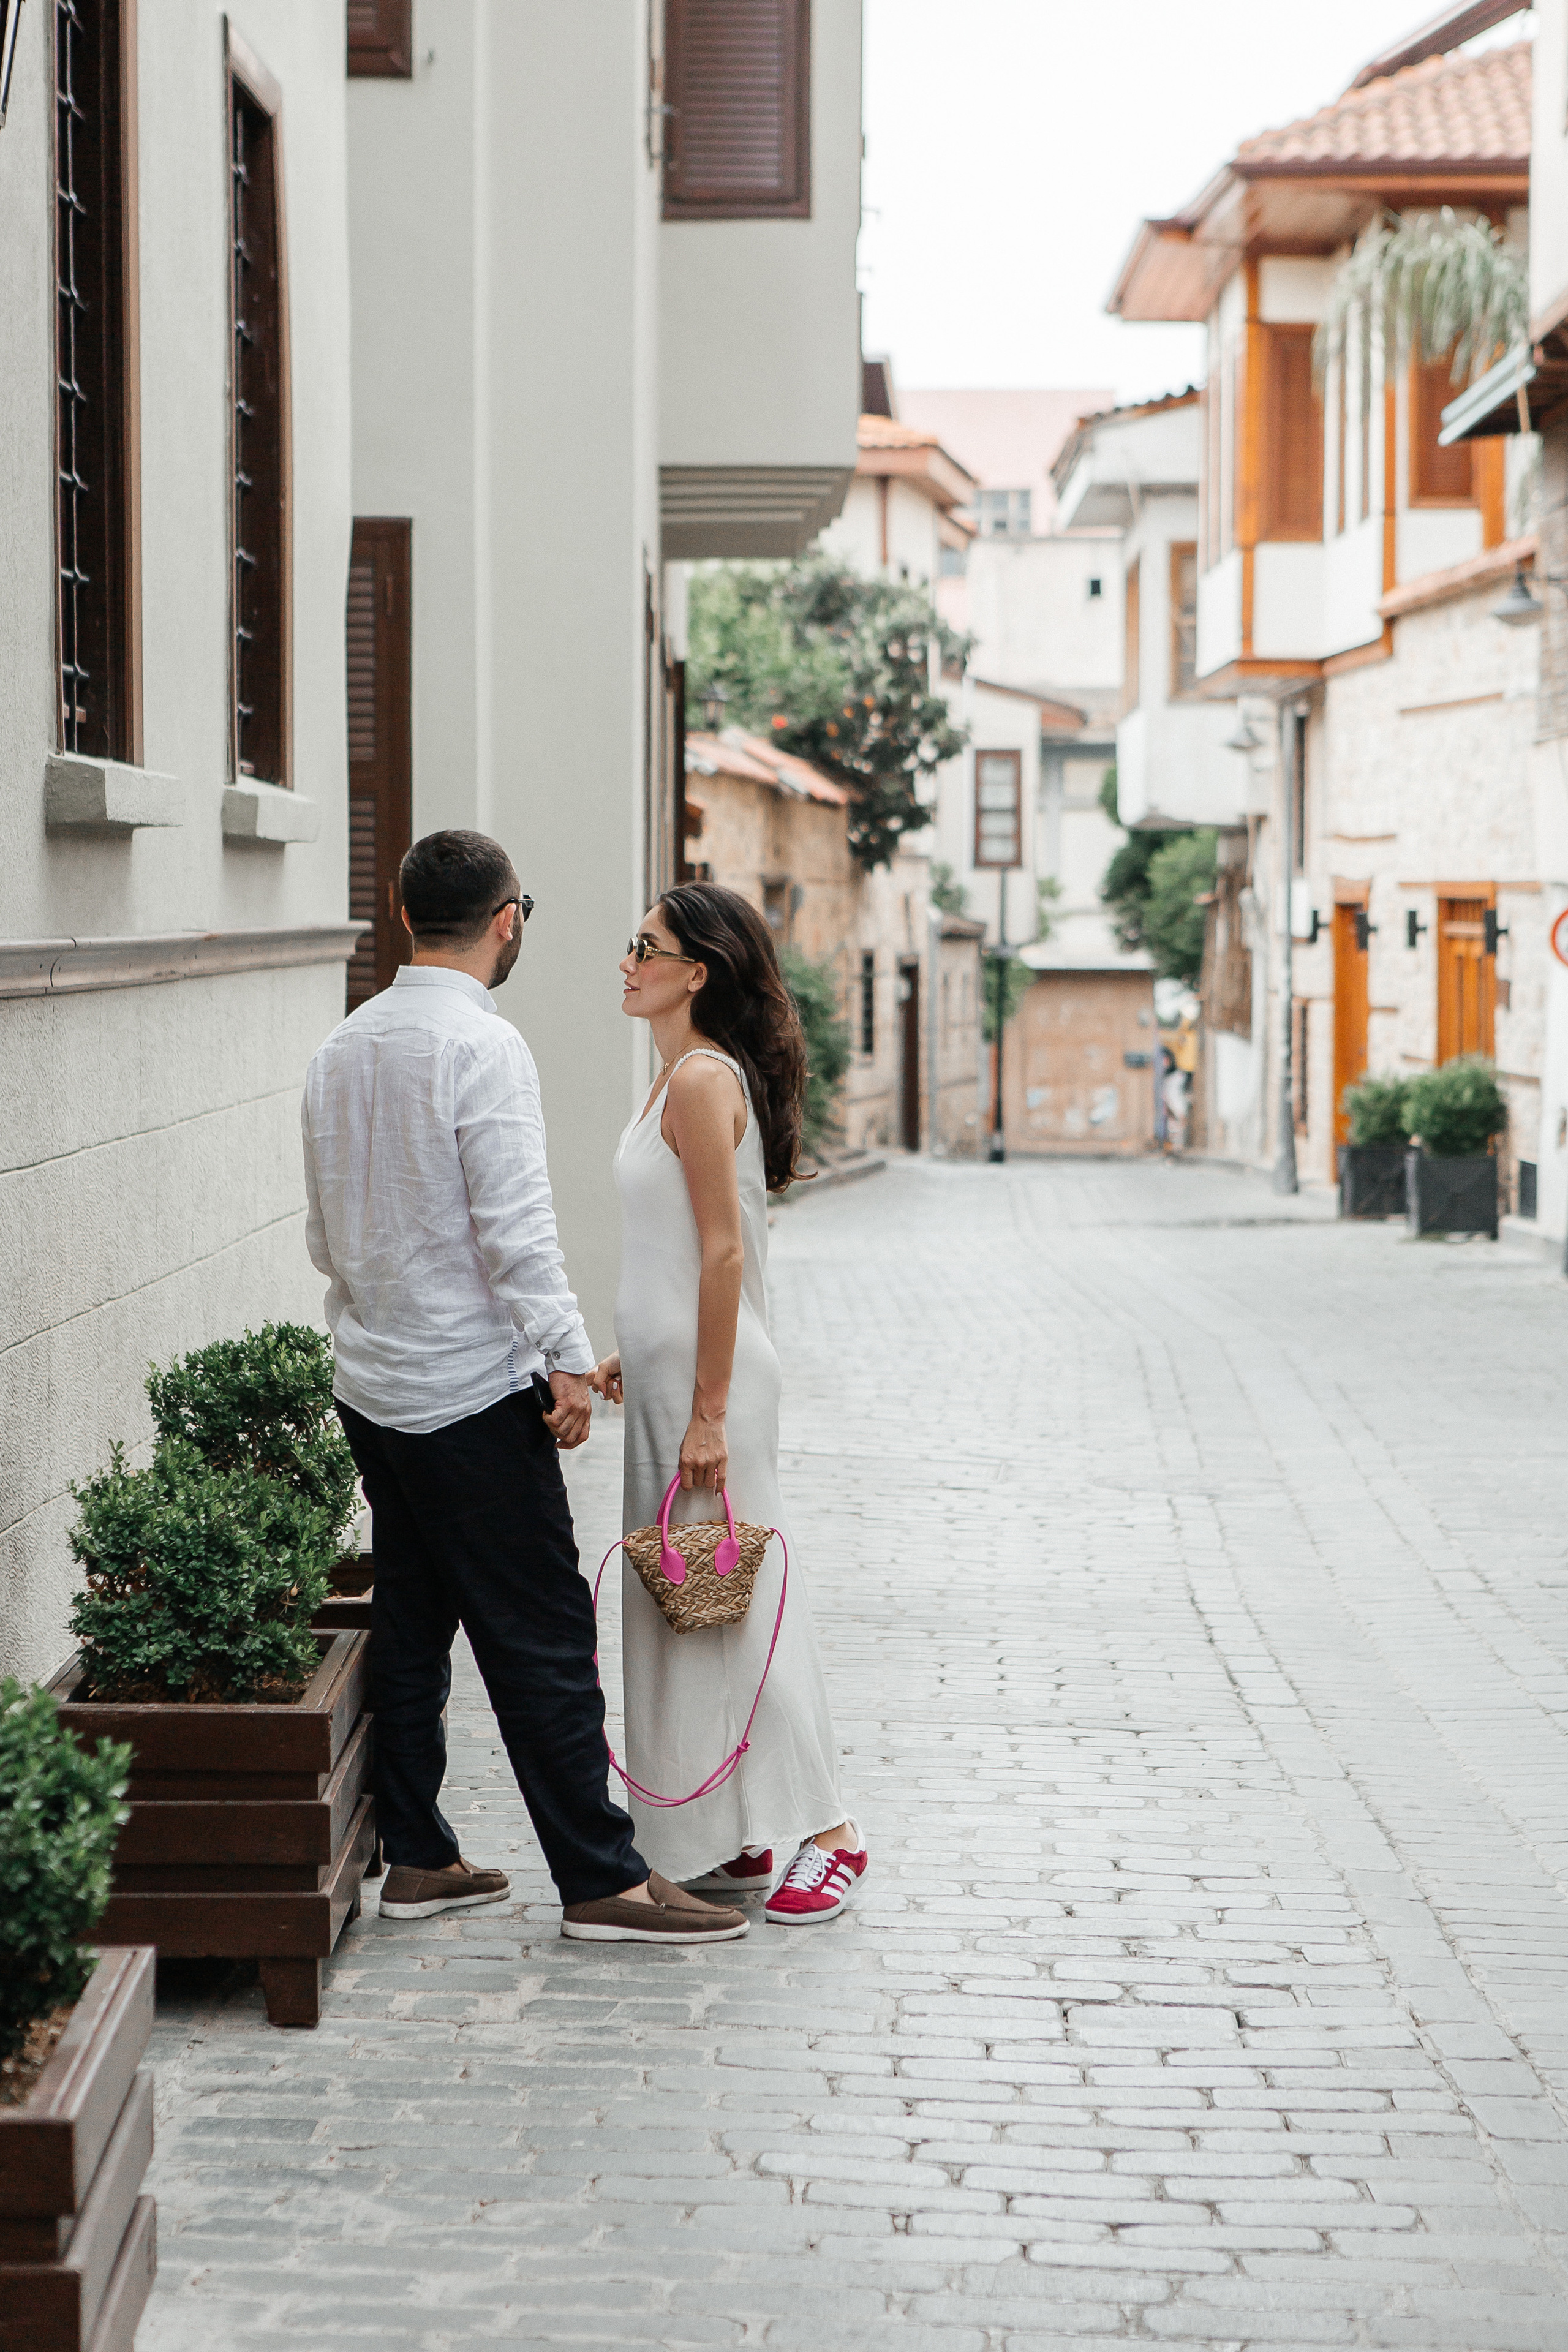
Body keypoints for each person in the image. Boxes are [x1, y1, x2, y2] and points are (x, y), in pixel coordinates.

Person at [301, 830, 748, 1946]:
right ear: (507, 921)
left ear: (407, 918)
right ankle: (602, 1879)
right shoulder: (485, 1051)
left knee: (414, 1614)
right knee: (543, 1634)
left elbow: (324, 1236)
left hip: (374, 1384)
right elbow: (517, 1232)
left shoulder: (339, 1048)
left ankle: (418, 1853)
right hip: (467, 1392)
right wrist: (562, 1358)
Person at [589, 883, 867, 1924]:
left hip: (715, 1393)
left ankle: (832, 1830)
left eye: (644, 948)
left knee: (739, 1609)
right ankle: (729, 1827)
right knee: (690, 1604)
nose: (626, 962)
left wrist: (707, 1409)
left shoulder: (701, 1080)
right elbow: (674, 1256)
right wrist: (632, 1354)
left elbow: (723, 1251)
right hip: (674, 1379)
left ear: (696, 973)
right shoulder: (671, 1081)